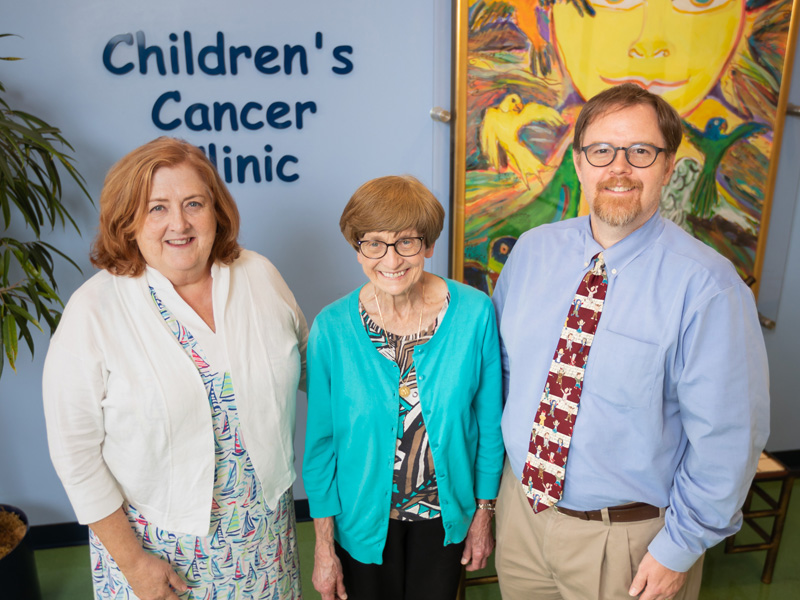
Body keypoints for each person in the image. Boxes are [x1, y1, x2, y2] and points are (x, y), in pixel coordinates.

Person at [492, 84, 769, 600]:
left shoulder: (708, 286)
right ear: (579, 163)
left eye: (640, 151)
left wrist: (680, 548)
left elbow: (730, 436)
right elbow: (507, 378)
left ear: (667, 166)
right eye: (601, 150)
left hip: (630, 543)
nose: (618, 167)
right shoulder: (532, 252)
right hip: (522, 517)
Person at [42, 137, 308, 600]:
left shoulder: (259, 276)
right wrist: (134, 564)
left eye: (193, 204)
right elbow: (75, 454)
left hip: (263, 535)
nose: (179, 224)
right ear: (128, 221)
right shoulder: (94, 310)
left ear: (216, 211)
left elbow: (313, 370)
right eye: (157, 208)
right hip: (157, 551)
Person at [303, 175, 504, 600]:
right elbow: (321, 445)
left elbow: (489, 427)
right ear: (357, 248)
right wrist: (323, 545)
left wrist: (484, 513)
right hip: (361, 523)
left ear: (428, 245)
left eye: (406, 242)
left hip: (448, 520)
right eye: (373, 243)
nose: (390, 259)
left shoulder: (474, 314)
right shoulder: (332, 328)